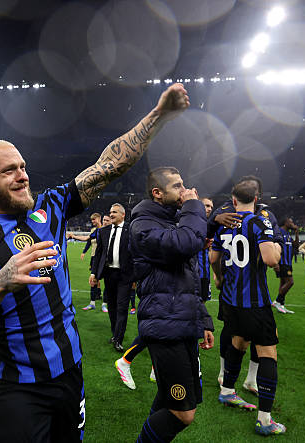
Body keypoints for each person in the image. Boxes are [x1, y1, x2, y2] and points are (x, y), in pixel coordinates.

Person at [0, 83, 190, 442]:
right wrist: (1, 280)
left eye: (23, 167)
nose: (22, 175)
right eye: (8, 171)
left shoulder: (51, 207)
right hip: (17, 387)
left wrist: (160, 114)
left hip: (70, 372)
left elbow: (109, 165)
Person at [129, 166, 214, 442]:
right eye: (177, 186)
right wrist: (193, 206)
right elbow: (186, 242)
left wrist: (204, 319)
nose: (184, 190)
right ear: (157, 193)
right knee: (182, 413)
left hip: (182, 323)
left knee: (171, 401)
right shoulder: (143, 225)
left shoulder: (170, 222)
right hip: (165, 327)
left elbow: (186, 281)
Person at [210, 179, 285, 436]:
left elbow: (213, 257)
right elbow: (271, 259)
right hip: (254, 302)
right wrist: (277, 245)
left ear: (233, 200)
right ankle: (265, 420)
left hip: (230, 300)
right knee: (268, 353)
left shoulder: (225, 224)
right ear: (256, 199)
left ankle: (227, 391)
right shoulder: (259, 222)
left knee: (239, 343)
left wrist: (219, 277)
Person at [91, 204, 133, 352]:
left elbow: (136, 254)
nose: (111, 214)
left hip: (125, 275)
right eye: (110, 212)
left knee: (122, 307)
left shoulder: (131, 230)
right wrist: (94, 273)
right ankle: (115, 334)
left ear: (123, 214)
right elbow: (98, 254)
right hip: (109, 274)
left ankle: (118, 339)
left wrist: (136, 276)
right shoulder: (103, 231)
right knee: (112, 307)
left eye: (114, 212)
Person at [68, 213, 106, 312]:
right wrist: (83, 250)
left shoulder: (105, 230)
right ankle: (94, 300)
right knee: (94, 279)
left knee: (105, 280)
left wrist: (74, 236)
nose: (92, 221)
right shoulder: (94, 231)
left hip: (104, 258)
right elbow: (87, 240)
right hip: (95, 257)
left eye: (94, 219)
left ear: (99, 219)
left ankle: (104, 302)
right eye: (91, 220)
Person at [272, 217, 299, 314]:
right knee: (290, 282)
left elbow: (296, 245)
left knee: (283, 283)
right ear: (285, 222)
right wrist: (276, 263)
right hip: (282, 262)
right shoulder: (278, 232)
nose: (292, 223)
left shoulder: (288, 234)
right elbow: (274, 247)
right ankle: (277, 301)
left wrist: (296, 233)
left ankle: (281, 304)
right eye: (291, 222)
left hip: (288, 263)